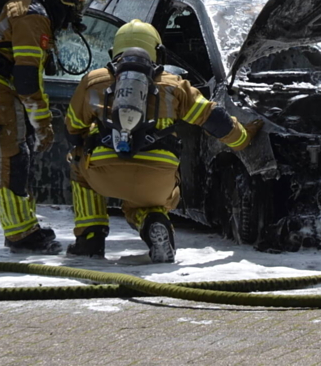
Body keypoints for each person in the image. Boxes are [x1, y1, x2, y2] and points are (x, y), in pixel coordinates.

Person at [64, 19, 261, 263]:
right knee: (145, 202)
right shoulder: (174, 85)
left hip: (105, 175)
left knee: (77, 162)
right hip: (157, 177)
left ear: (114, 52)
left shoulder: (93, 81)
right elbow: (214, 118)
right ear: (158, 53)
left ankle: (89, 239)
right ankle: (154, 222)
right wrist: (243, 139)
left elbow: (72, 128)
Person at [0, 0, 108, 254]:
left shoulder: (32, 1)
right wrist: (42, 123)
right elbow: (28, 78)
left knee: (18, 155)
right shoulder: (32, 14)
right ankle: (20, 235)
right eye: (80, 0)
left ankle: (23, 227)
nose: (79, 8)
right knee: (9, 159)